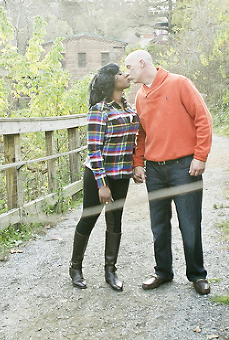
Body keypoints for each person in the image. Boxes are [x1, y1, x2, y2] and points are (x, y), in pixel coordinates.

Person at [124, 49, 213, 295]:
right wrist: (138, 162)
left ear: (143, 63)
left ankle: (197, 275)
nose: (127, 73)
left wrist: (200, 156)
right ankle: (163, 271)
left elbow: (203, 119)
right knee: (159, 225)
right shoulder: (140, 97)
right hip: (154, 170)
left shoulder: (179, 83)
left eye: (129, 67)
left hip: (184, 168)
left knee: (190, 223)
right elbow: (140, 134)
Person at [69, 63, 145, 291]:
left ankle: (110, 271)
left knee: (115, 220)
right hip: (98, 173)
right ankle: (75, 267)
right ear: (111, 81)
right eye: (120, 73)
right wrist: (102, 184)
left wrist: (135, 166)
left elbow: (132, 142)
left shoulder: (129, 108)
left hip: (121, 174)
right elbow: (94, 150)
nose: (126, 75)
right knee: (89, 218)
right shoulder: (99, 110)